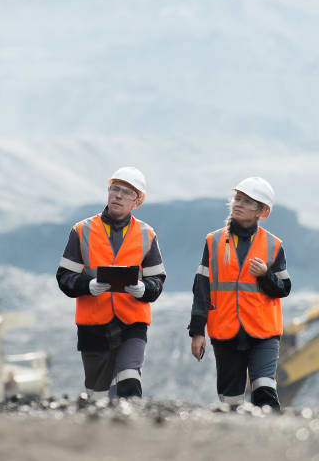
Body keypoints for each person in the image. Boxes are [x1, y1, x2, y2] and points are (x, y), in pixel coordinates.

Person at [56, 166, 166, 399]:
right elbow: (64, 277)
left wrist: (144, 289)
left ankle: (132, 432)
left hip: (132, 323)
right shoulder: (81, 230)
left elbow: (157, 280)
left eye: (126, 192)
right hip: (93, 326)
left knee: (129, 381)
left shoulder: (147, 234)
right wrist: (87, 285)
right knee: (98, 396)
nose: (118, 195)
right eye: (114, 189)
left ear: (137, 201)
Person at [188, 177, 291, 410]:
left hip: (264, 332)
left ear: (262, 211)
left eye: (246, 201)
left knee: (265, 391)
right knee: (230, 401)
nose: (238, 204)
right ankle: (234, 444)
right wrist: (197, 332)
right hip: (225, 332)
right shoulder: (213, 241)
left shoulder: (274, 245)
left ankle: (269, 442)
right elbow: (201, 289)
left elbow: (284, 288)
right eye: (237, 198)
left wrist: (266, 275)